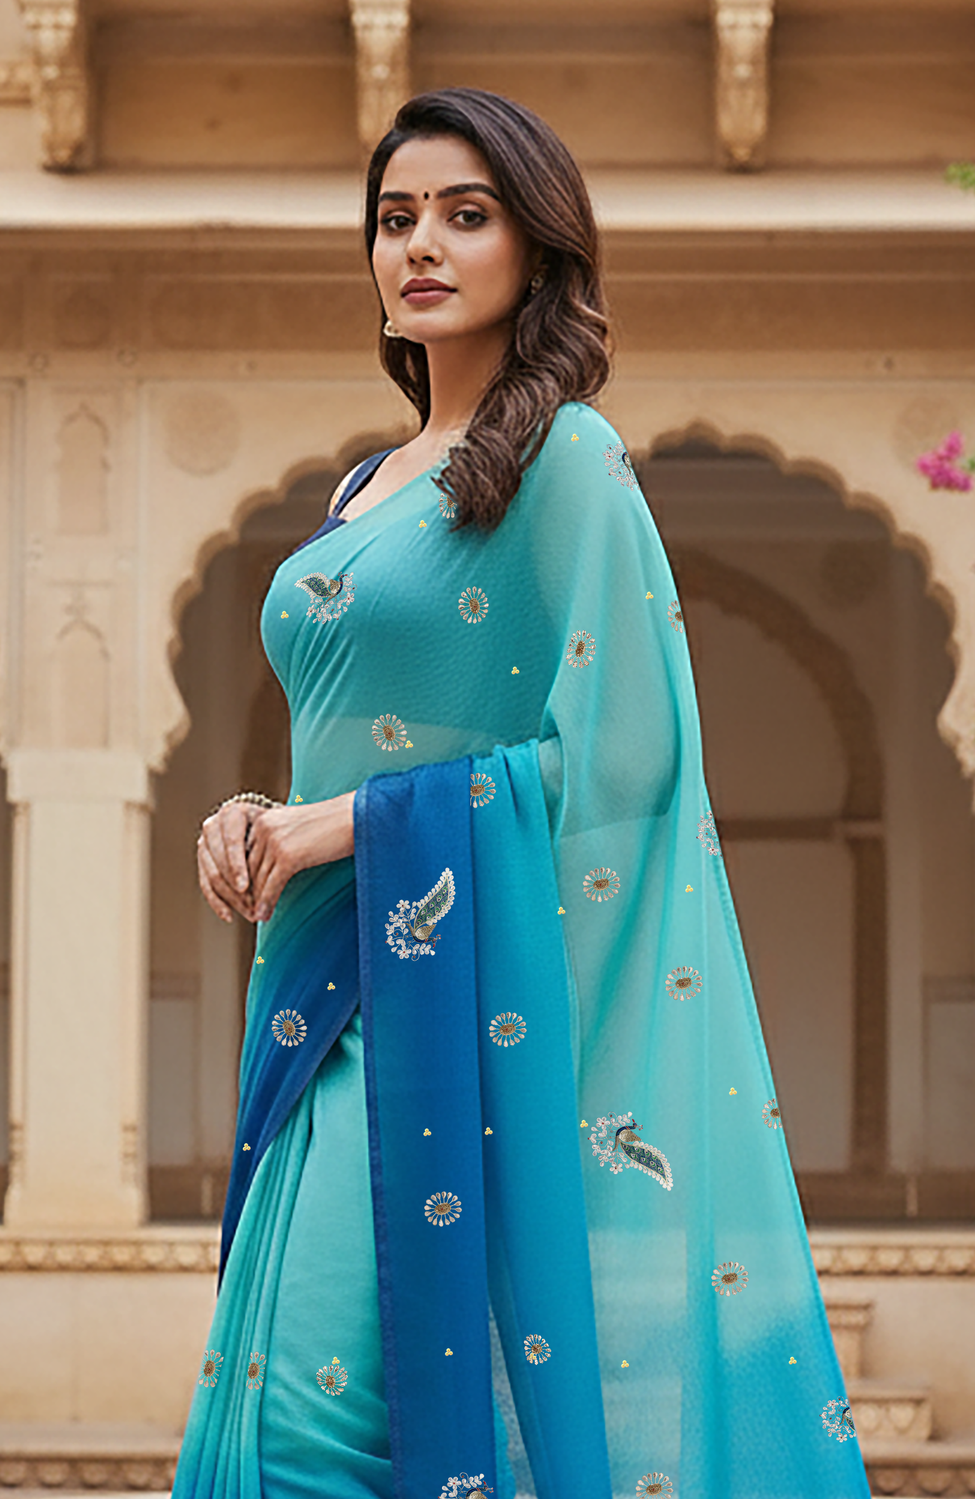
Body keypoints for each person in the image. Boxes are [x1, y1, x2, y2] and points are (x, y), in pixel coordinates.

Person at [173, 87, 870, 1499]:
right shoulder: (370, 485)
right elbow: (354, 729)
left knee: (321, 1435)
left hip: (438, 996)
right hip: (322, 992)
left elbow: (624, 758)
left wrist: (344, 826)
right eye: (394, 217)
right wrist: (259, 816)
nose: (420, 243)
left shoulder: (568, 461)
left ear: (536, 252)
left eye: (464, 214)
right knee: (261, 1413)